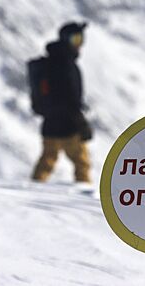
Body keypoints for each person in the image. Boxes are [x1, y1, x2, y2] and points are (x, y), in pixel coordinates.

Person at [31, 22, 93, 183]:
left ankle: (32, 191)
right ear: (66, 40)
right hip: (69, 126)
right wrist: (81, 123)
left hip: (49, 124)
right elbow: (70, 98)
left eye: (80, 39)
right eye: (76, 39)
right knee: (82, 164)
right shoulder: (67, 65)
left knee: (46, 162)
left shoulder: (50, 63)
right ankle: (85, 198)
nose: (79, 45)